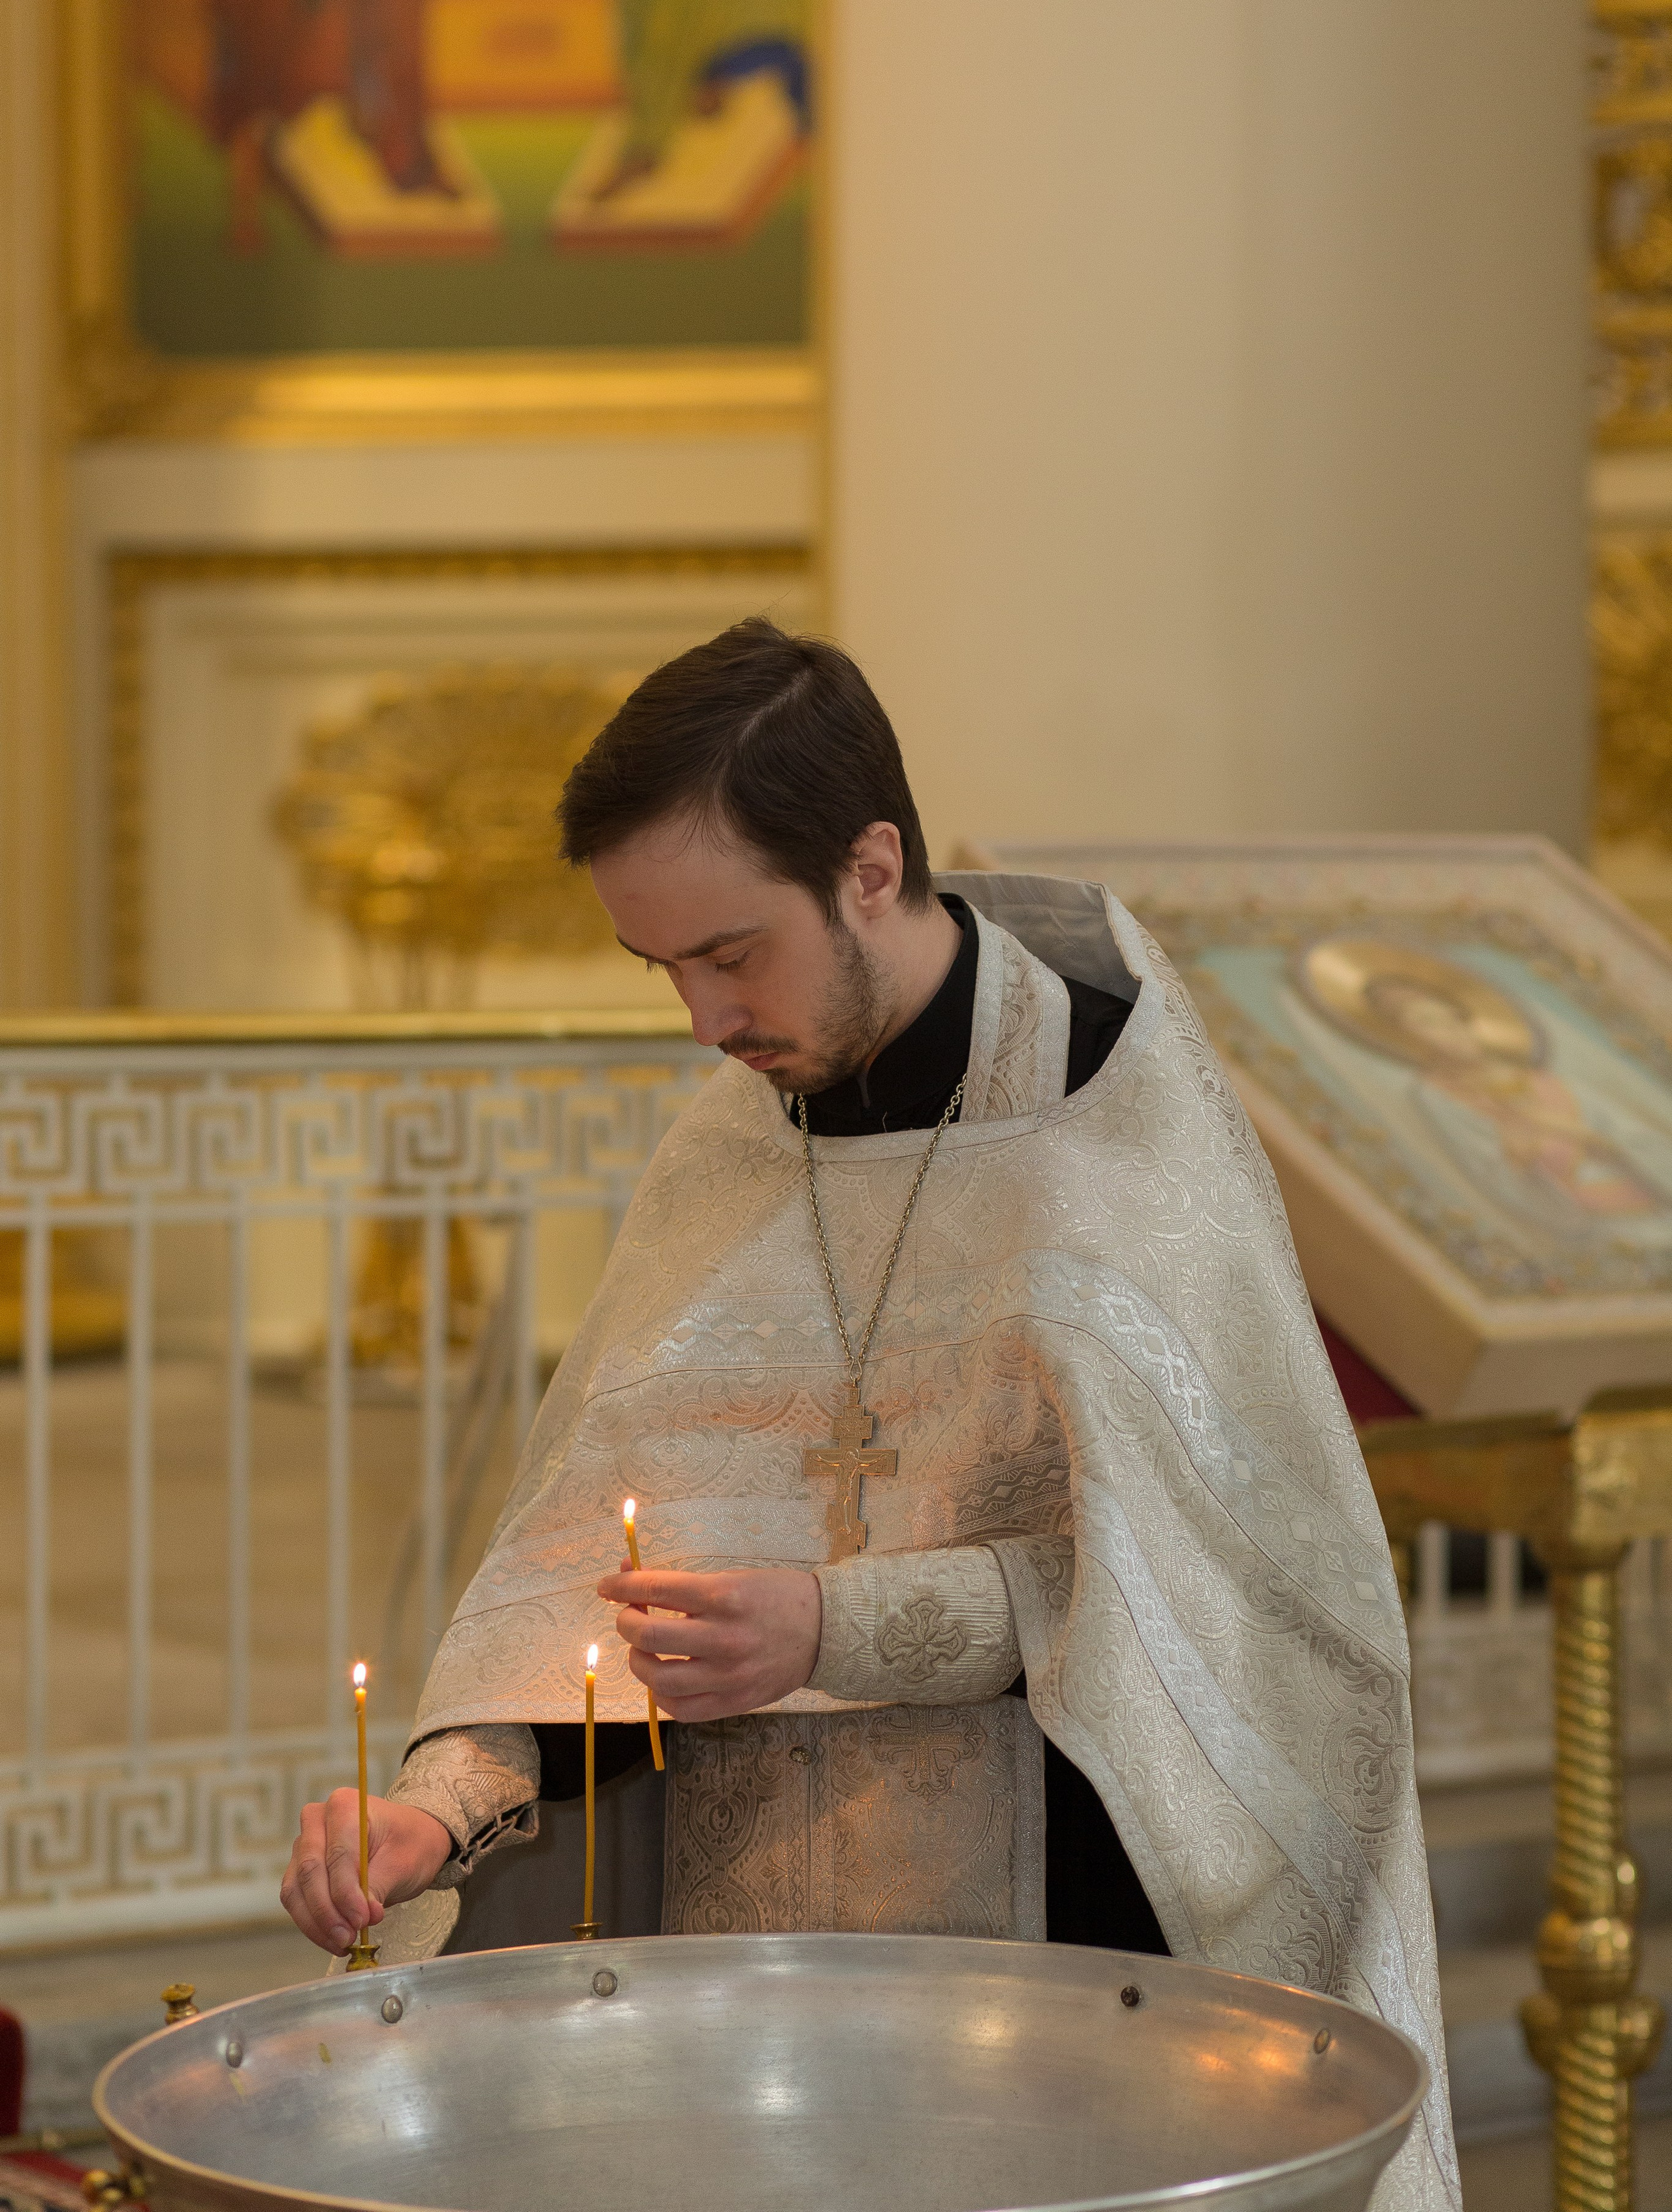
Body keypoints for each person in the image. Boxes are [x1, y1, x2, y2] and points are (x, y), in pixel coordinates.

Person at [281, 621, 1458, 2212]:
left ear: (871, 867)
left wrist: (836, 1625)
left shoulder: (1105, 1130)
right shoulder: (727, 1156)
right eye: (661, 968)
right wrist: (438, 1809)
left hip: (1072, 1980)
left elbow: (1224, 1612)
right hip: (757, 1982)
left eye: (728, 953)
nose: (702, 1023)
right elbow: (592, 1589)